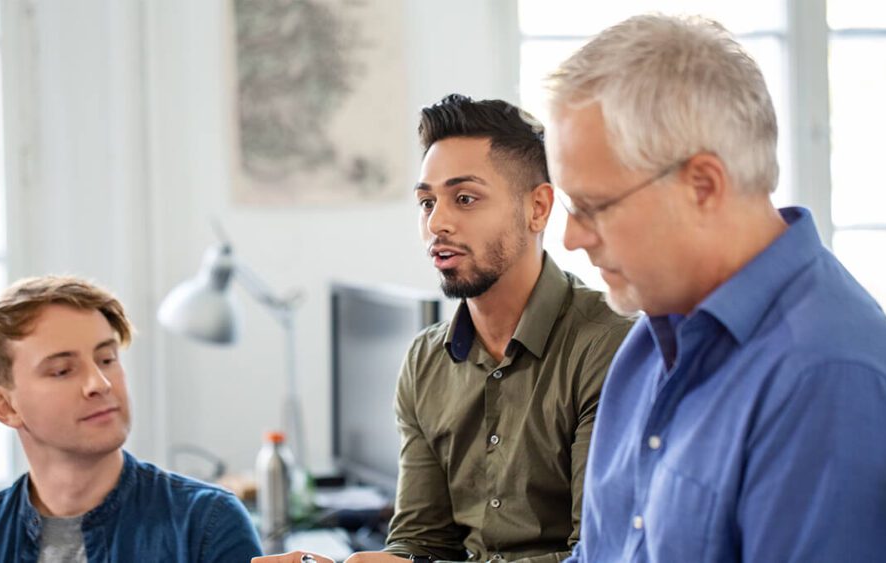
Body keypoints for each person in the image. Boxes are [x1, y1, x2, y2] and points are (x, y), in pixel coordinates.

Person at [543, 14, 886, 562]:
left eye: (592, 207)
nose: (571, 236)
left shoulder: (826, 379)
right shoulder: (651, 339)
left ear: (702, 185)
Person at [253, 94, 631, 563]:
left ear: (538, 208)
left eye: (465, 199)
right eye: (426, 202)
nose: (437, 223)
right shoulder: (425, 361)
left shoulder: (610, 345)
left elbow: (602, 554)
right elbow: (421, 542)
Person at [0, 276, 263, 562]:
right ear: (6, 408)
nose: (100, 383)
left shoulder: (207, 522)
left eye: (106, 359)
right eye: (62, 371)